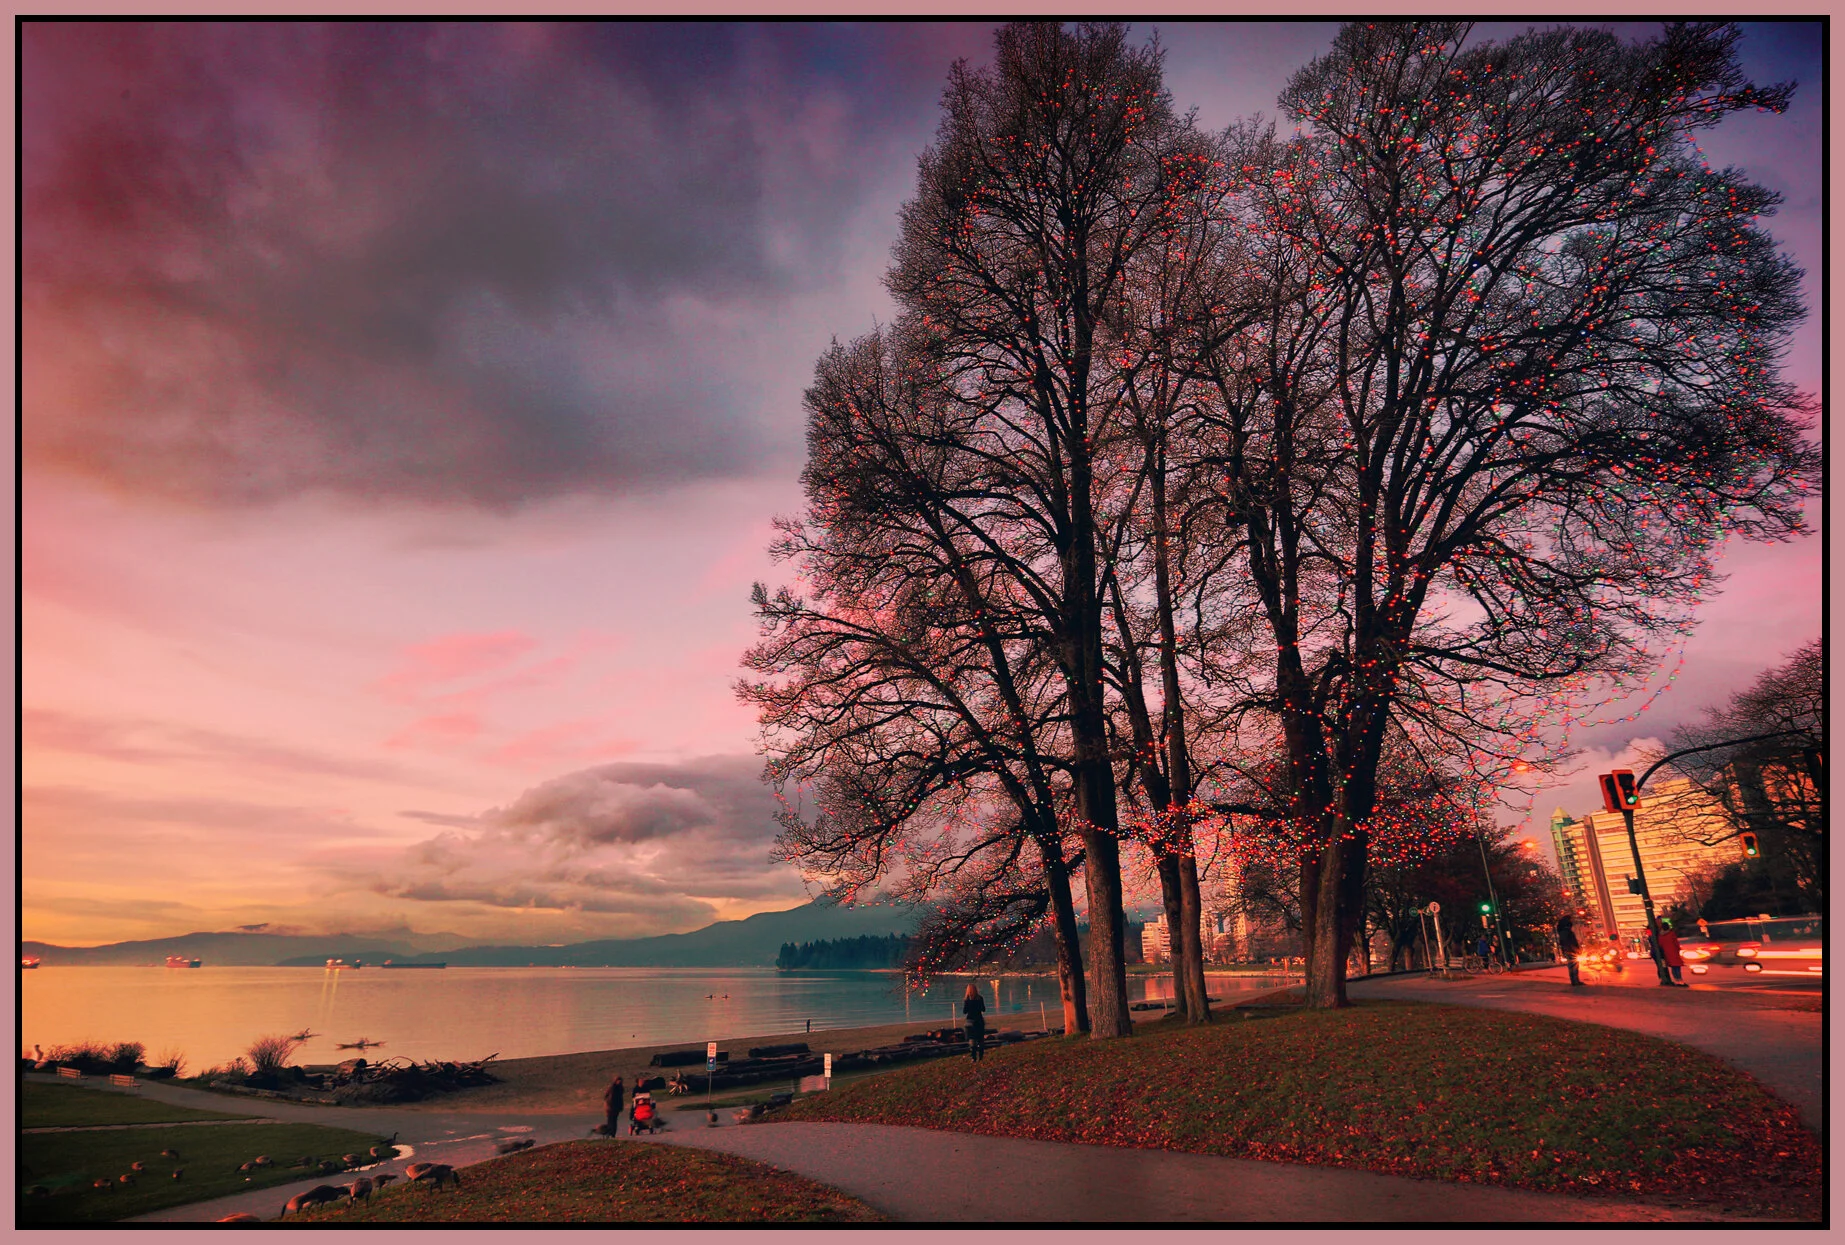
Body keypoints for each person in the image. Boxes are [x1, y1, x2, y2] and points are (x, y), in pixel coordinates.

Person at [962, 982, 988, 1064]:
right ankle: (981, 1056)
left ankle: (973, 1058)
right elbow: (983, 1009)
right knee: (980, 1039)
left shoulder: (967, 1000)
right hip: (979, 1020)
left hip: (970, 1021)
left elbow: (964, 1011)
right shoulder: (980, 998)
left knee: (972, 1040)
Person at [1658, 920, 1688, 986]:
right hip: (1674, 952)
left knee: (1673, 967)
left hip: (1667, 953)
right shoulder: (1671, 934)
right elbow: (1676, 943)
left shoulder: (1661, 936)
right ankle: (1680, 980)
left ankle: (1676, 980)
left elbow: (1660, 944)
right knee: (1677, 967)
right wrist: (1679, 949)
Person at [1555, 914, 1582, 987]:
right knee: (1573, 966)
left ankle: (1575, 981)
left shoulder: (1564, 931)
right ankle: (1575, 981)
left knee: (1573, 966)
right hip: (1571, 951)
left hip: (1570, 950)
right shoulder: (1566, 932)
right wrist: (1575, 950)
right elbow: (1569, 942)